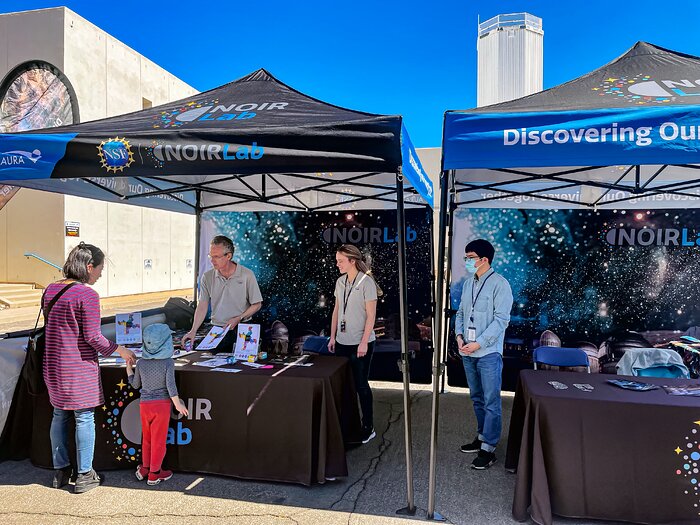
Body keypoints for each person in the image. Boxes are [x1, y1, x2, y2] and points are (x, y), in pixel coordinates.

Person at [44, 242, 136, 493]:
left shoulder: (50, 290)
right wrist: (121, 350)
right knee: (84, 417)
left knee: (59, 415)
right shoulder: (87, 295)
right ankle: (85, 474)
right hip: (78, 368)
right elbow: (93, 337)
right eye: (100, 269)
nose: (101, 274)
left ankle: (59, 471)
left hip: (53, 366)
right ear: (88, 266)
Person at [455, 239, 513, 470]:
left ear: (484, 259)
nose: (467, 261)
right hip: (467, 350)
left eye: (470, 257)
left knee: (491, 401)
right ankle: (481, 437)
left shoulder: (500, 284)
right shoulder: (469, 283)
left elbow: (501, 320)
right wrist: (459, 336)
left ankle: (489, 447)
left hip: (487, 352)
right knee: (477, 397)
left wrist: (478, 343)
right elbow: (460, 312)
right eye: (467, 257)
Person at [328, 244, 379, 444]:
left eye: (340, 261)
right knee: (344, 385)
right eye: (336, 261)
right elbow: (336, 310)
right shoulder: (341, 282)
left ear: (351, 261)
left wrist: (364, 342)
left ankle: (368, 426)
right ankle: (348, 425)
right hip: (342, 341)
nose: (337, 264)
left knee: (361, 385)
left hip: (361, 343)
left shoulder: (367, 283)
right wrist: (332, 336)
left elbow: (371, 316)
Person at [126, 323, 189, 485]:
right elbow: (171, 386)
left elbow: (135, 385)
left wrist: (129, 368)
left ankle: (145, 467)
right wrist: (178, 405)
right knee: (159, 441)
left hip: (144, 406)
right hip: (161, 406)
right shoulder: (168, 362)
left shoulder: (140, 363)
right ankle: (154, 473)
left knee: (147, 439)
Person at [181, 236, 263, 353]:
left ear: (228, 256)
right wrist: (193, 331)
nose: (212, 260)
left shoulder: (247, 275)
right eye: (210, 256)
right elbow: (202, 305)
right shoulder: (207, 277)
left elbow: (257, 304)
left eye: (216, 257)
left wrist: (239, 318)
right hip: (217, 329)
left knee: (243, 365)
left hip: (242, 327)